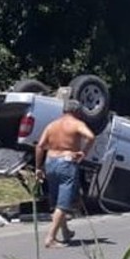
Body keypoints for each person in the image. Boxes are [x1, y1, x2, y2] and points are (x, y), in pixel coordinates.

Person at [34, 100, 95, 249]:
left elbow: (40, 146)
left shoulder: (52, 125)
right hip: (66, 162)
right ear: (77, 112)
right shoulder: (77, 124)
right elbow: (91, 137)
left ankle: (66, 232)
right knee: (63, 202)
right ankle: (50, 237)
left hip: (50, 161)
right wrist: (83, 152)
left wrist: (38, 167)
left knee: (56, 200)